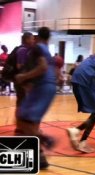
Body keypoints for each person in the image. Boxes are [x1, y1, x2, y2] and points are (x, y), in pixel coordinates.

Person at [14, 27, 59, 169]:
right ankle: (40, 159)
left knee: (21, 119)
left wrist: (24, 77)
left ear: (36, 37)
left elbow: (43, 68)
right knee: (31, 123)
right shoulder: (47, 51)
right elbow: (56, 73)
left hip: (42, 87)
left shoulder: (37, 48)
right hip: (50, 87)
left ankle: (46, 139)